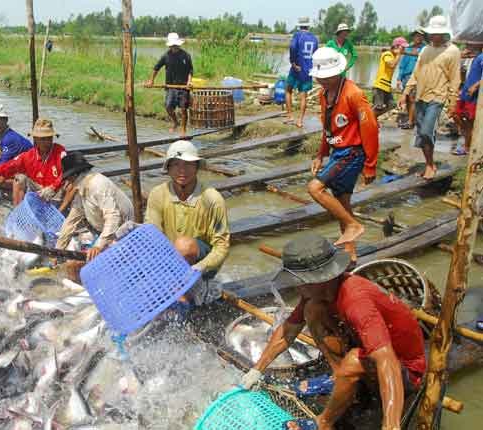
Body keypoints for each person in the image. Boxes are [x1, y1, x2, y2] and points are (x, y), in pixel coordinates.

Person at [241, 234, 426, 430]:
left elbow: (386, 360)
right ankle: (339, 378)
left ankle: (324, 423)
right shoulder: (317, 293)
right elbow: (289, 330)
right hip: (368, 351)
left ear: (318, 280)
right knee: (312, 310)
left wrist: (391, 425)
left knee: (354, 360)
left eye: (299, 280)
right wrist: (256, 370)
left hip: (405, 369)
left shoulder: (357, 302)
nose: (296, 286)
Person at [307, 47, 379, 260]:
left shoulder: (354, 94)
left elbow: (371, 128)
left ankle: (353, 224)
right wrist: (321, 154)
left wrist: (370, 164)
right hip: (338, 151)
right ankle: (351, 255)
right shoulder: (323, 94)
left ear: (338, 73)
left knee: (315, 188)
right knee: (342, 203)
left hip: (352, 152)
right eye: (320, 78)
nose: (323, 81)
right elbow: (327, 127)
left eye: (327, 77)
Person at [145, 140, 230, 305]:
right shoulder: (157, 194)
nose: (182, 170)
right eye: (176, 164)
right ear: (168, 168)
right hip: (170, 260)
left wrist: (201, 267)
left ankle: (184, 298)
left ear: (197, 167)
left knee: (184, 245)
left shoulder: (212, 199)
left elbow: (222, 246)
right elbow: (151, 235)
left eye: (188, 164)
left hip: (200, 262)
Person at [399, 15, 461, 180]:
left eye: (437, 33)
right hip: (421, 96)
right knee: (422, 133)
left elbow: (455, 79)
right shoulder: (425, 50)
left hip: (438, 97)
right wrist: (405, 93)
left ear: (444, 33)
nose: (434, 36)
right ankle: (429, 163)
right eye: (432, 33)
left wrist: (453, 102)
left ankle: (430, 164)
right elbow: (416, 73)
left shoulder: (453, 51)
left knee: (427, 131)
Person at [56, 151, 134, 261]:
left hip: (121, 230)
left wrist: (99, 246)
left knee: (80, 263)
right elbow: (71, 221)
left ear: (74, 176)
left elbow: (113, 217)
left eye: (68, 178)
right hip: (103, 229)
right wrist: (58, 250)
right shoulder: (82, 189)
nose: (68, 183)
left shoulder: (98, 185)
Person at [0, 118, 66, 205]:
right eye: (43, 139)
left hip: (55, 191)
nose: (47, 142)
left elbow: (67, 173)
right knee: (19, 178)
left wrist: (53, 187)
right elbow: (7, 166)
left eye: (49, 138)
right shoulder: (29, 155)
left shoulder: (59, 151)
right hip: (38, 189)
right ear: (36, 139)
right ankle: (18, 213)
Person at [145, 33, 194, 135]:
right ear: (170, 46)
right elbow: (156, 68)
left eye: (175, 45)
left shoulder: (186, 56)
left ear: (179, 45)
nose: (174, 47)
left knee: (184, 109)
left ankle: (183, 130)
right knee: (168, 107)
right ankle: (175, 122)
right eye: (172, 46)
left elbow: (190, 70)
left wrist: (189, 82)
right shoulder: (166, 56)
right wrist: (151, 80)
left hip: (184, 87)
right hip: (170, 87)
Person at [285, 17, 319, 128]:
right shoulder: (314, 38)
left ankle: (290, 116)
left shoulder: (297, 35)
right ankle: (300, 121)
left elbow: (292, 46)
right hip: (307, 70)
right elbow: (316, 55)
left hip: (296, 68)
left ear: (299, 26)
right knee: (303, 96)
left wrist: (293, 62)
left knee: (288, 89)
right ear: (308, 26)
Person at [453, 43, 483, 155]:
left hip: (473, 94)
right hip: (465, 91)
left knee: (469, 120)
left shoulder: (481, 57)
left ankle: (467, 146)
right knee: (456, 114)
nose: (468, 46)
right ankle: (467, 137)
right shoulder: (474, 57)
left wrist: (475, 86)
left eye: (470, 45)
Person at [372, 37, 408, 118]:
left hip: (386, 87)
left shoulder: (393, 55)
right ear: (395, 46)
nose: (403, 50)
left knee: (392, 105)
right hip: (380, 86)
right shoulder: (387, 54)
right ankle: (368, 119)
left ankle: (371, 117)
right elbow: (391, 64)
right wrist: (399, 54)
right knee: (378, 107)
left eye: (404, 48)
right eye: (402, 48)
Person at [397, 30, 426, 129]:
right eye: (417, 36)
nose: (418, 38)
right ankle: (411, 120)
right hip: (406, 76)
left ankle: (410, 121)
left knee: (412, 99)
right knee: (407, 99)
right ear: (413, 37)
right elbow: (402, 65)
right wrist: (398, 78)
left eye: (420, 36)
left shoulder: (425, 49)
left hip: (417, 77)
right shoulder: (408, 48)